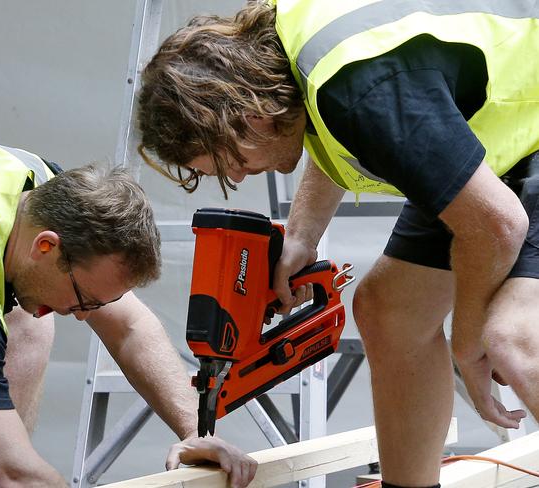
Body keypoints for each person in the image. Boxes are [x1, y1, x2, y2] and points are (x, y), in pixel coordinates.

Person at [137, 2, 539, 487]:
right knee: (389, 311)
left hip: (526, 130)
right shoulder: (298, 62)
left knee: (514, 338)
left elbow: (497, 226)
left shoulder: (360, 90)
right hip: (494, 135)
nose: (240, 176)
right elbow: (340, 127)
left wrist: (468, 341)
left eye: (231, 161)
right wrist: (301, 236)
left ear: (249, 112)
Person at [0, 140, 257, 488]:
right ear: (46, 245)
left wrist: (197, 433)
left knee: (30, 314)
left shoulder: (38, 188)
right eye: (85, 300)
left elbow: (129, 326)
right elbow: (16, 475)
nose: (83, 317)